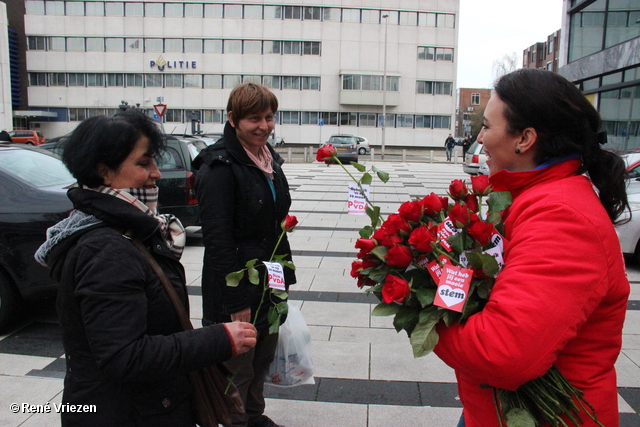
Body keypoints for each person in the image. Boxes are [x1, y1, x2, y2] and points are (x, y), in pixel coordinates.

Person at [35, 109, 257, 426]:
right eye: (143, 163)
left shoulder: (129, 229)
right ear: (104, 171)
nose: (156, 173)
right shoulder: (105, 250)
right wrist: (217, 340)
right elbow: (124, 357)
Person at [434, 68, 629, 427]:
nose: (480, 139)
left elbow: (502, 354)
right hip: (496, 409)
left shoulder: (563, 218)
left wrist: (424, 310)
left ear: (524, 139)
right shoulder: (532, 199)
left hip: (547, 416)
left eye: (488, 127)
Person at [193, 83, 296, 427]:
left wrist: (283, 280)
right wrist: (236, 299)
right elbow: (218, 240)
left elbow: (272, 222)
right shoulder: (218, 166)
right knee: (236, 368)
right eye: (254, 118)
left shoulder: (268, 159)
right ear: (233, 119)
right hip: (234, 285)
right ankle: (233, 422)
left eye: (269, 117)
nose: (264, 126)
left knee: (261, 360)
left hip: (268, 281)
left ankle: (254, 417)